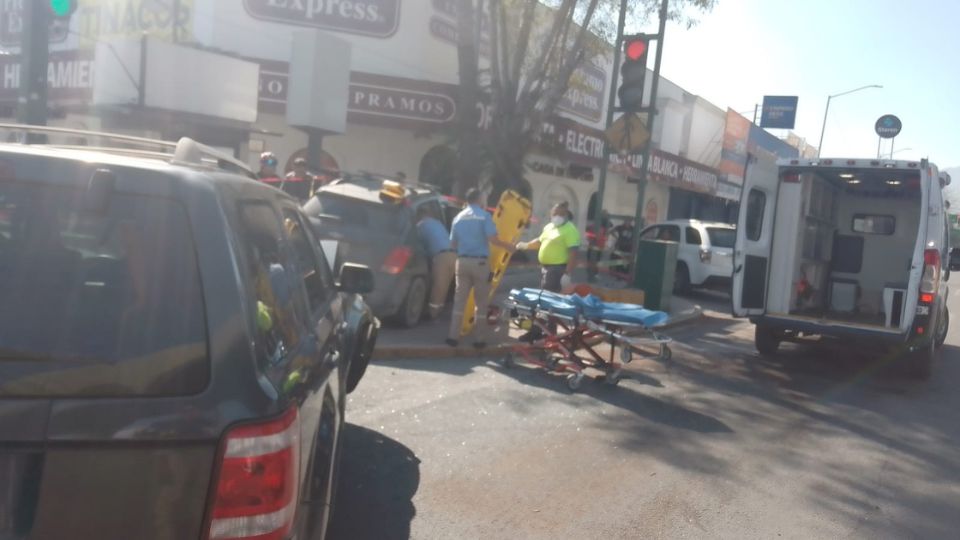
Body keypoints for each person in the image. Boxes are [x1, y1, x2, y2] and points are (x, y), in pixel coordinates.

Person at [447, 188, 515, 349]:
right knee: (481, 303)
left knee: (459, 302)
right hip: (480, 264)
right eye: (484, 197)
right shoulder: (484, 216)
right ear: (479, 199)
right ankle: (479, 339)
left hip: (462, 262)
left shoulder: (458, 217)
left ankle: (452, 337)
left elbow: (453, 244)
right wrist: (508, 246)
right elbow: (493, 239)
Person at [516, 201, 581, 293]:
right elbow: (540, 241)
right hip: (546, 268)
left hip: (557, 269)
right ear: (551, 214)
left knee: (549, 294)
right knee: (546, 293)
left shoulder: (570, 230)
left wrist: (567, 274)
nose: (557, 216)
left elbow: (573, 253)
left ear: (566, 214)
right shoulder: (549, 227)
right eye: (555, 214)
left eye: (561, 214)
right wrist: (526, 245)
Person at [416, 206, 456, 319]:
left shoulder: (421, 226)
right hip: (453, 255)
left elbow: (417, 243)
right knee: (444, 287)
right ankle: (437, 311)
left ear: (419, 215)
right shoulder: (437, 223)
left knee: (438, 286)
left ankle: (432, 314)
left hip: (441, 256)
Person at [585, 210, 612, 283]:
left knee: (597, 260)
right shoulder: (594, 225)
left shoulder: (605, 225)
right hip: (592, 246)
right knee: (590, 260)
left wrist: (606, 216)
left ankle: (594, 274)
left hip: (600, 246)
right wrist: (591, 238)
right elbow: (587, 232)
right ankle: (590, 274)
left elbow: (610, 226)